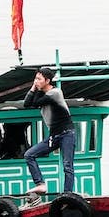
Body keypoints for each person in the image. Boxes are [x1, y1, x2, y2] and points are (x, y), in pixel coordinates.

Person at [23, 66, 76, 196]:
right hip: (54, 136)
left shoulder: (55, 93)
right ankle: (40, 184)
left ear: (47, 81)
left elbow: (35, 102)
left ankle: (67, 194)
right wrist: (33, 87)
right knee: (29, 155)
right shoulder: (41, 93)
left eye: (39, 79)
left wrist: (35, 90)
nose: (36, 81)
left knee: (67, 165)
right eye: (35, 79)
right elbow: (26, 103)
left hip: (67, 133)